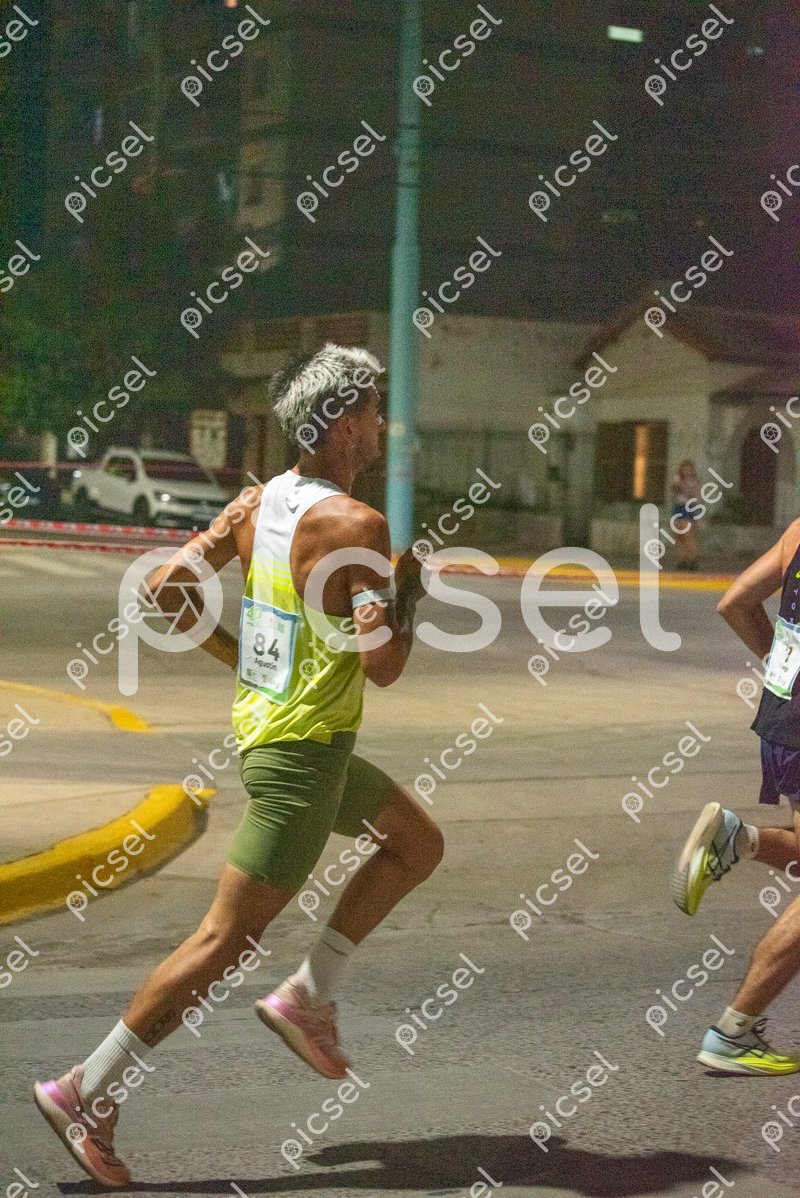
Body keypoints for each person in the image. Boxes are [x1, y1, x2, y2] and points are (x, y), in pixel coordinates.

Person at [34, 344, 444, 1185]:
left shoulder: (257, 503)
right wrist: (408, 594)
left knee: (416, 842)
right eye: (371, 408)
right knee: (224, 939)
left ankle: (309, 994)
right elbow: (383, 665)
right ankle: (87, 1089)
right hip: (303, 759)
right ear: (338, 422)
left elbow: (165, 589)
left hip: (284, 741)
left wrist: (239, 658)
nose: (381, 423)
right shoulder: (358, 528)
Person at [672, 517, 800, 1075]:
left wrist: (788, 672)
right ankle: (732, 1032)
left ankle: (737, 840)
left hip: (782, 718)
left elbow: (735, 602)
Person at [670, 459, 701, 572]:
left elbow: (691, 494)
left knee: (687, 535)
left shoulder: (692, 481)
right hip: (677, 506)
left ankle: (692, 560)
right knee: (679, 535)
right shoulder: (677, 478)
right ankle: (683, 559)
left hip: (687, 507)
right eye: (684, 469)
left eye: (689, 469)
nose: (686, 471)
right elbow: (672, 490)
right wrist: (676, 484)